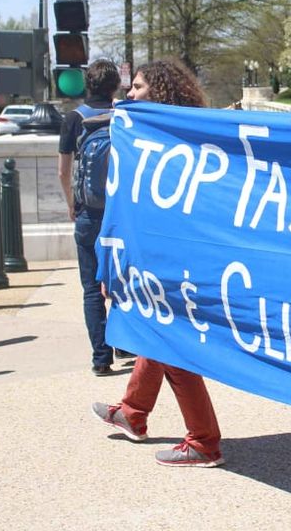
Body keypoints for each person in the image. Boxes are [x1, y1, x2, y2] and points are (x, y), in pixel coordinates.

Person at [92, 59, 225, 469]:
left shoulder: (179, 141)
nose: (129, 94)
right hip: (161, 256)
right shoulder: (146, 138)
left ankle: (204, 441)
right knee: (157, 332)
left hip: (174, 260)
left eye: (137, 87)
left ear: (161, 92)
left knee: (170, 339)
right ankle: (133, 411)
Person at [58, 59, 119, 376]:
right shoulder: (124, 116)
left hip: (89, 213)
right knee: (122, 281)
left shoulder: (74, 118)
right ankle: (126, 342)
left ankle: (101, 358)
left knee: (92, 288)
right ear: (115, 86)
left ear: (87, 85)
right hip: (121, 214)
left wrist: (72, 203)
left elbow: (63, 171)